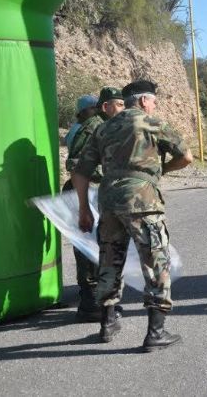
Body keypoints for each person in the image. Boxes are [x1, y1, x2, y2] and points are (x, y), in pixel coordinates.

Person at [73, 80, 193, 351]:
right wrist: (159, 171)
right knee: (155, 263)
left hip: (108, 203)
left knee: (109, 261)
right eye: (153, 101)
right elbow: (186, 157)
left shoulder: (103, 128)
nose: (154, 106)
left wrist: (83, 209)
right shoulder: (151, 123)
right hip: (143, 202)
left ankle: (107, 324)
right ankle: (155, 333)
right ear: (142, 101)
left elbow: (80, 172)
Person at [63, 89, 125, 322]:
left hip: (90, 191)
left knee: (93, 246)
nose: (122, 109)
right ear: (102, 107)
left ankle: (95, 300)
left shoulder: (93, 126)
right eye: (119, 104)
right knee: (90, 247)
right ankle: (91, 303)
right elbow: (76, 164)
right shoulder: (94, 126)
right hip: (86, 192)